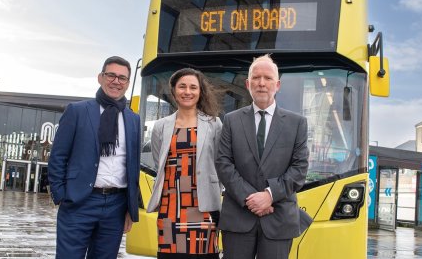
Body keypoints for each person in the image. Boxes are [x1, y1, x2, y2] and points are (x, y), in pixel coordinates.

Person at [215, 54, 311, 259]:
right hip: (238, 218)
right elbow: (223, 163)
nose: (261, 83)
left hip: (279, 219)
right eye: (256, 78)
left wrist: (269, 195)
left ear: (277, 85)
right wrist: (251, 199)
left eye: (267, 78)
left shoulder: (297, 123)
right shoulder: (231, 120)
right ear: (247, 84)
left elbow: (299, 169)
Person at [48, 56, 140, 259]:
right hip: (79, 202)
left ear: (127, 83)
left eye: (122, 78)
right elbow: (58, 157)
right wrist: (61, 195)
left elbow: (132, 166)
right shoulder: (78, 111)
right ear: (100, 77)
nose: (116, 81)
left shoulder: (133, 119)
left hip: (116, 206)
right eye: (111, 75)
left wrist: (130, 209)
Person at [146, 68, 222, 259]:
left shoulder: (214, 124)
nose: (187, 91)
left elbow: (220, 163)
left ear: (200, 92)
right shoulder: (161, 126)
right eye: (182, 87)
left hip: (203, 206)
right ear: (174, 92)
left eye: (193, 87)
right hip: (171, 206)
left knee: (204, 254)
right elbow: (159, 162)